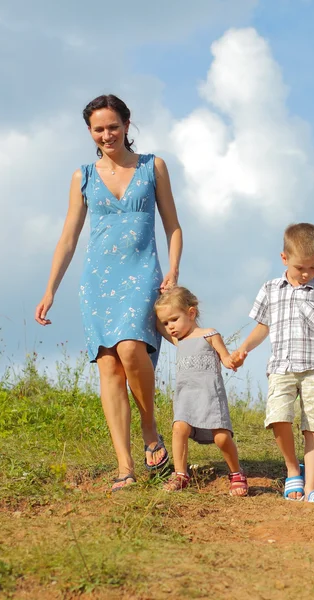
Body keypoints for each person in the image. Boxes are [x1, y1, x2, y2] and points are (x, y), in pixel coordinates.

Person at [35, 94, 183, 492]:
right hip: (97, 280)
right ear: (90, 132)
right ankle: (125, 466)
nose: (107, 135)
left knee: (132, 349)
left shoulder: (153, 167)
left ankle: (149, 427)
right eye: (98, 129)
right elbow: (68, 238)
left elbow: (173, 225)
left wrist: (173, 267)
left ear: (127, 125)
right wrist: (51, 289)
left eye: (113, 127)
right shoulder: (82, 175)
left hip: (142, 274)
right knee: (109, 367)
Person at [231, 223, 314, 503]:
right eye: (300, 268)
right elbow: (262, 326)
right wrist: (244, 348)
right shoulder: (270, 289)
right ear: (284, 259)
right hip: (281, 367)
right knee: (278, 418)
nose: (307, 274)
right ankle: (293, 469)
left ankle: (311, 488)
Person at [154, 287, 248, 496]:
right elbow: (155, 323)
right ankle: (180, 474)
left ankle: (236, 473)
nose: (169, 327)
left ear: (191, 313)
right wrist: (157, 292)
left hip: (209, 396)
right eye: (166, 323)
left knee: (222, 438)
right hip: (185, 397)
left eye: (174, 319)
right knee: (179, 429)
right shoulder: (179, 340)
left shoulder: (209, 335)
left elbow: (225, 358)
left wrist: (235, 360)